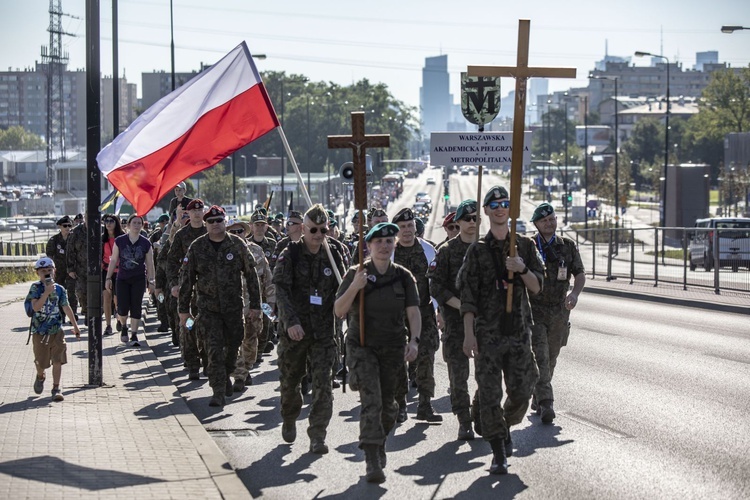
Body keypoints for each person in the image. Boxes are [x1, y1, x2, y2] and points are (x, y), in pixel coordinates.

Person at [458, 185, 544, 475]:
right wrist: (469, 334)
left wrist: (521, 269)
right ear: (486, 211)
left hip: (518, 332)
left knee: (524, 389)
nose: (499, 208)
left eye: (504, 203)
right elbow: (467, 298)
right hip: (487, 335)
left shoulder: (525, 246)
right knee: (490, 394)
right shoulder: (477, 251)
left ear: (511, 209)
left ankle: (505, 425)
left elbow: (538, 286)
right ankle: (498, 452)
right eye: (493, 205)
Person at [334, 222, 420, 483]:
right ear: (369, 246)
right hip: (363, 347)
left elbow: (413, 313)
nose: (384, 246)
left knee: (389, 407)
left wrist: (414, 341)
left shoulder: (403, 276)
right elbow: (339, 310)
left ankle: (379, 441)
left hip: (393, 348)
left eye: (389, 241)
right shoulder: (356, 273)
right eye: (378, 242)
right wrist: (355, 287)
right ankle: (372, 458)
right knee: (372, 401)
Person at [273, 204, 345, 454]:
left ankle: (318, 435)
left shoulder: (335, 253)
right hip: (295, 330)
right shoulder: (290, 252)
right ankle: (290, 415)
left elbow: (343, 289)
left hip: (324, 332)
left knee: (323, 385)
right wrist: (290, 321)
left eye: (323, 230)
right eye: (313, 229)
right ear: (303, 229)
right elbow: (280, 290)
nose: (318, 234)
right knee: (290, 382)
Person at [179, 205, 262, 408]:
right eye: (211, 221)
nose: (215, 225)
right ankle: (217, 391)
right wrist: (183, 310)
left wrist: (256, 306)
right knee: (213, 349)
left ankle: (226, 373)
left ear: (225, 222)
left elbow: (251, 275)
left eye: (219, 220)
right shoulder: (197, 247)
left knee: (233, 346)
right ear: (206, 225)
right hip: (208, 309)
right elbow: (187, 280)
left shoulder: (237, 245)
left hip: (234, 308)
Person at [528, 202, 585, 424]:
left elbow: (579, 273)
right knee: (540, 356)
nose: (549, 223)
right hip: (535, 309)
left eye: (552, 219)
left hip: (560, 311)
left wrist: (575, 294)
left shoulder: (567, 246)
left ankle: (538, 393)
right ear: (537, 224)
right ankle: (546, 404)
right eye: (544, 221)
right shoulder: (528, 245)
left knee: (551, 357)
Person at [428, 199, 479, 440]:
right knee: (458, 377)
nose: (472, 223)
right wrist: (460, 305)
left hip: (484, 325)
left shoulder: (487, 248)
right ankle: (464, 419)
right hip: (456, 324)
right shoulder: (447, 251)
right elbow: (435, 286)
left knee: (487, 375)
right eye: (467, 219)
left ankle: (480, 411)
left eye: (475, 218)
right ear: (457, 222)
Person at [391, 207, 441, 423]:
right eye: (402, 227)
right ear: (396, 231)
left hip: (424, 312)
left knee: (426, 357)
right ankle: (400, 405)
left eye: (410, 226)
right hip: (396, 315)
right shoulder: (389, 252)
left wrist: (439, 311)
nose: (407, 230)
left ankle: (425, 404)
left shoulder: (428, 251)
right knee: (398, 360)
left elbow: (436, 284)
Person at [226, 218, 275, 392]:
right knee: (233, 341)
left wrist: (270, 305)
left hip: (253, 305)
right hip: (231, 305)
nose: (237, 235)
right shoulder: (224, 251)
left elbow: (267, 278)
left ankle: (246, 368)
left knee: (250, 341)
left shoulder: (256, 251)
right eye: (233, 232)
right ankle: (239, 375)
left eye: (240, 231)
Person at [24, 257, 81, 402]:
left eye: (49, 270)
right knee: (41, 362)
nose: (47, 273)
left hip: (56, 330)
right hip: (40, 331)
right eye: (43, 271)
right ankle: (40, 376)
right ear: (38, 273)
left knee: (58, 359)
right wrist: (46, 293)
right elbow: (36, 307)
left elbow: (66, 307)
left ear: (54, 271)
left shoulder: (60, 289)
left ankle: (56, 388)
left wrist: (75, 326)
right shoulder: (35, 288)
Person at [168, 198, 208, 378]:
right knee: (189, 325)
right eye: (194, 211)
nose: (197, 214)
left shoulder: (211, 231)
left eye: (200, 211)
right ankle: (193, 363)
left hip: (208, 289)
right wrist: (174, 284)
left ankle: (208, 361)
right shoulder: (182, 235)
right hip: (187, 289)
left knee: (209, 326)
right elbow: (171, 261)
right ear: (188, 214)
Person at [105, 214, 156, 347]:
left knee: (136, 306)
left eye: (139, 223)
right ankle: (124, 326)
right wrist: (108, 278)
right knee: (122, 307)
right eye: (134, 223)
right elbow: (114, 260)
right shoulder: (120, 241)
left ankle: (134, 334)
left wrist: (151, 281)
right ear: (128, 225)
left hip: (139, 278)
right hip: (122, 278)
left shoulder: (146, 243)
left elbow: (150, 263)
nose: (137, 225)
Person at [45, 215, 77, 319]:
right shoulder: (54, 240)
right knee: (58, 292)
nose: (68, 228)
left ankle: (73, 313)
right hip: (58, 271)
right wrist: (51, 271)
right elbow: (49, 256)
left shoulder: (74, 239)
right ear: (60, 226)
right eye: (65, 226)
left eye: (69, 225)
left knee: (72, 291)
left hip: (72, 270)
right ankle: (60, 314)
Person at [101, 214, 125, 336]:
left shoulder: (122, 238)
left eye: (111, 221)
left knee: (117, 299)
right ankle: (108, 325)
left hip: (119, 272)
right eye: (106, 221)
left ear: (116, 223)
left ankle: (120, 319)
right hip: (106, 271)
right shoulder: (102, 239)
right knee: (106, 297)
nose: (108, 223)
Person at [66, 211, 88, 320]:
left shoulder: (101, 230)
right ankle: (86, 310)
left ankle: (94, 314)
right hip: (81, 268)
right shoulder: (77, 232)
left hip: (99, 268)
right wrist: (70, 268)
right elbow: (70, 251)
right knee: (81, 292)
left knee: (99, 295)